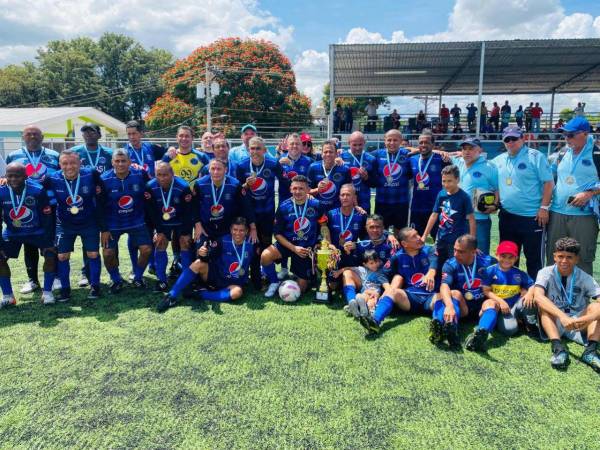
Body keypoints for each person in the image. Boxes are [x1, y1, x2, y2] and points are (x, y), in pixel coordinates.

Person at [493, 126, 553, 279]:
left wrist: (544, 207)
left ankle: (537, 292)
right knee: (508, 257)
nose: (511, 142)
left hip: (533, 218)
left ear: (523, 139)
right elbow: (477, 160)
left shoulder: (536, 156)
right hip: (507, 217)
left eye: (514, 138)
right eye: (507, 139)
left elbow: (548, 183)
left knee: (534, 259)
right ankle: (510, 290)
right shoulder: (499, 160)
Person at [43, 150, 104, 300]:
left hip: (89, 222)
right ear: (60, 165)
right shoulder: (52, 177)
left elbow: (103, 188)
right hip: (64, 223)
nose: (69, 167)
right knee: (62, 256)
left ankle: (95, 286)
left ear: (80, 163)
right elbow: (36, 189)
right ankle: (65, 289)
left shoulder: (91, 174)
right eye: (65, 163)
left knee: (93, 254)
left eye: (73, 163)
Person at [6, 125, 60, 295]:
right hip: (23, 204)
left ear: (42, 137)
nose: (32, 137)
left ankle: (55, 276)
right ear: (23, 137)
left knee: (49, 239)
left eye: (36, 134)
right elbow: (7, 178)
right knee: (28, 242)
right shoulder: (13, 156)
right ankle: (33, 280)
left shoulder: (54, 155)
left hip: (49, 203)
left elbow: (59, 176)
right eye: (28, 134)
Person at [159, 217, 254, 311]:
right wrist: (203, 253)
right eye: (235, 230)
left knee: (237, 292)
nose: (237, 233)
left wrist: (257, 283)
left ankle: (199, 294)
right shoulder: (222, 241)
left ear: (246, 232)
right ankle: (171, 296)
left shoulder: (251, 244)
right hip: (217, 277)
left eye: (241, 230)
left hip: (234, 283)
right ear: (230, 230)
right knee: (198, 263)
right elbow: (208, 256)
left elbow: (255, 264)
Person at [534, 237, 600, 372]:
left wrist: (585, 319)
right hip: (555, 320)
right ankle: (558, 348)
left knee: (595, 307)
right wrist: (562, 317)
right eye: (560, 256)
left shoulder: (584, 277)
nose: (564, 261)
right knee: (543, 306)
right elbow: (538, 297)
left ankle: (591, 351)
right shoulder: (545, 272)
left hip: (578, 323)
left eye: (569, 257)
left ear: (577, 259)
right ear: (554, 256)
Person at [359, 227, 440, 334]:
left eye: (418, 234)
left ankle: (439, 327)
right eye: (414, 237)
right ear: (405, 244)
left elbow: (435, 260)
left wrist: (431, 273)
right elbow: (383, 273)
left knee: (444, 297)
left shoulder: (429, 249)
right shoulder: (397, 256)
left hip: (431, 296)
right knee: (392, 291)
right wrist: (387, 288)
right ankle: (374, 321)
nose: (419, 238)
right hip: (411, 298)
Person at [547, 117, 599, 275]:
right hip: (557, 213)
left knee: (582, 258)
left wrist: (589, 193)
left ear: (585, 133)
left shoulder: (596, 154)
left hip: (584, 216)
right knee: (553, 257)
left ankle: (582, 299)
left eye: (571, 135)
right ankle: (552, 296)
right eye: (564, 135)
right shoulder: (562, 153)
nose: (566, 138)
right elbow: (549, 178)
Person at [0, 162, 56, 306]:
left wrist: (49, 242)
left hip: (37, 232)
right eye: (10, 176)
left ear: (26, 176)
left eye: (17, 176)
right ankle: (8, 296)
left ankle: (48, 292)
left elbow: (47, 217)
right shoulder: (1, 191)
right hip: (13, 232)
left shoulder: (37, 190)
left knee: (50, 256)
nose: (13, 179)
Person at [261, 175, 326, 297]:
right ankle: (274, 282)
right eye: (295, 188)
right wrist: (293, 248)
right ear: (290, 189)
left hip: (306, 249)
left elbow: (323, 226)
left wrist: (323, 243)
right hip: (287, 244)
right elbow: (277, 234)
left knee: (300, 289)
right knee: (265, 256)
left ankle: (307, 277)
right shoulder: (283, 206)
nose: (297, 191)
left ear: (308, 190)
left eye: (301, 188)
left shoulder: (317, 205)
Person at [464, 241, 536, 352]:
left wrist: (529, 293)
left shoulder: (519, 273)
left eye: (510, 257)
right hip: (495, 305)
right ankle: (481, 333)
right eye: (503, 256)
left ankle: (529, 325)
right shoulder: (490, 271)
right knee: (491, 304)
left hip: (511, 308)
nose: (506, 260)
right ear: (497, 255)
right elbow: (486, 290)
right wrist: (501, 301)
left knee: (510, 330)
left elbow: (532, 285)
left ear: (516, 258)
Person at [99, 149, 152, 293]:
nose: (120, 164)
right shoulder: (104, 179)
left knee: (146, 249)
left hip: (136, 220)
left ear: (130, 162)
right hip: (113, 223)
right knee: (108, 253)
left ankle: (138, 277)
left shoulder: (140, 174)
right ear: (112, 163)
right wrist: (104, 229)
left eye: (123, 161)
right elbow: (99, 205)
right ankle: (116, 280)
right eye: (117, 161)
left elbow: (151, 191)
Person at [430, 234, 495, 349]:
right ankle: (445, 328)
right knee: (453, 293)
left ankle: (480, 334)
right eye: (455, 250)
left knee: (492, 303)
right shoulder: (450, 264)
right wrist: (449, 306)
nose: (455, 254)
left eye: (461, 252)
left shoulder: (489, 262)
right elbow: (444, 285)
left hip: (481, 308)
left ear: (473, 252)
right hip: (461, 308)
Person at [236, 136, 284, 289]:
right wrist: (245, 185)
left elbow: (285, 183)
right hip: (249, 213)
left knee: (265, 244)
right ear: (248, 150)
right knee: (251, 245)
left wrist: (282, 208)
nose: (255, 151)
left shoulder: (273, 164)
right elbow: (238, 190)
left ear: (264, 150)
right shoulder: (242, 165)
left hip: (267, 212)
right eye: (252, 148)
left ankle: (267, 275)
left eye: (258, 148)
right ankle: (254, 276)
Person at [71, 123, 114, 288]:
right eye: (85, 132)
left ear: (99, 134)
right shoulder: (76, 153)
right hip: (83, 201)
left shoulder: (109, 154)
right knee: (88, 238)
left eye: (92, 131)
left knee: (109, 238)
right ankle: (85, 272)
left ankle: (112, 273)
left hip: (105, 201)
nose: (88, 134)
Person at [145, 162, 194, 292]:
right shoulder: (150, 187)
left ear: (172, 174)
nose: (162, 178)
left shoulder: (183, 187)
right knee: (160, 242)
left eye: (165, 175)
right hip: (162, 222)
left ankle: (186, 280)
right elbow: (151, 212)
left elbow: (188, 211)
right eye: (159, 175)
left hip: (180, 221)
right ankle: (162, 280)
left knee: (185, 243)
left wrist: (185, 232)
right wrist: (158, 231)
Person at [422, 165, 476, 274]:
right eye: (444, 181)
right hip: (441, 239)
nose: (446, 184)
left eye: (449, 181)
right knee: (437, 264)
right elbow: (434, 215)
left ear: (457, 180)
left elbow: (471, 220)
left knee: (455, 266)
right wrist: (424, 235)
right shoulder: (441, 194)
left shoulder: (464, 197)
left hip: (456, 242)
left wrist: (472, 241)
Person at [451, 138, 499, 255]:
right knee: (460, 253)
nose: (467, 152)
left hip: (479, 220)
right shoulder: (458, 162)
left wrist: (494, 205)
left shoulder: (489, 167)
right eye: (464, 149)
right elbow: (437, 152)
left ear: (480, 150)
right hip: (460, 218)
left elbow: (498, 188)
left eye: (471, 149)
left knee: (480, 253)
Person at [192, 158, 255, 242]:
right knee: (202, 253)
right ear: (209, 170)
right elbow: (194, 206)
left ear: (225, 170)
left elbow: (246, 207)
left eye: (219, 169)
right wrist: (197, 225)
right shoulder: (199, 184)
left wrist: (253, 228)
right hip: (205, 228)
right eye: (213, 169)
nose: (215, 172)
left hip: (227, 229)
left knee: (226, 253)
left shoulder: (235, 184)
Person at [326, 184, 367, 288]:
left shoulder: (361, 216)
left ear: (354, 197)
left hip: (352, 255)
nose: (344, 197)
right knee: (332, 286)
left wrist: (356, 245)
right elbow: (324, 234)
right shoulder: (331, 214)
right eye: (342, 195)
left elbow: (366, 240)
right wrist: (329, 245)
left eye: (348, 195)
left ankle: (346, 277)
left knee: (356, 284)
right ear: (339, 197)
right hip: (334, 255)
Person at [372, 129, 413, 232]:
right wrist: (341, 153)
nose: (392, 143)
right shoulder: (377, 154)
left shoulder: (406, 154)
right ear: (384, 141)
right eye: (389, 140)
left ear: (400, 141)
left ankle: (398, 248)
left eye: (395, 140)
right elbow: (359, 155)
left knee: (400, 233)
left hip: (401, 202)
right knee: (380, 231)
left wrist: (440, 151)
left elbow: (423, 149)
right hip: (382, 202)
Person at [409, 133, 447, 240]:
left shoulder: (442, 159)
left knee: (439, 240)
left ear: (433, 144)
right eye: (421, 143)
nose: (423, 145)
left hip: (436, 208)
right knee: (415, 240)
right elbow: (401, 147)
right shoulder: (412, 159)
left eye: (427, 142)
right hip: (417, 208)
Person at [343, 250, 391, 319]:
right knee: (360, 297)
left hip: (374, 294)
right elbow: (349, 268)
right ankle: (357, 307)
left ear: (379, 261)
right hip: (366, 291)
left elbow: (386, 286)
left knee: (371, 303)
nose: (375, 264)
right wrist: (339, 271)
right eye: (371, 263)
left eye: (376, 262)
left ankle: (364, 311)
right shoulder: (363, 270)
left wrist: (379, 296)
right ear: (365, 264)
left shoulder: (380, 273)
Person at [307, 140, 351, 211]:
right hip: (317, 210)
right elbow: (307, 191)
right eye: (325, 152)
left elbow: (349, 192)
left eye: (331, 152)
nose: (328, 154)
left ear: (336, 154)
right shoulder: (313, 167)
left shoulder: (344, 169)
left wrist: (356, 206)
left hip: (337, 210)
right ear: (321, 154)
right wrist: (318, 190)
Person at [341, 131, 376, 213]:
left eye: (360, 144)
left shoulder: (371, 159)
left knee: (364, 225)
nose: (357, 148)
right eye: (354, 145)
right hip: (345, 202)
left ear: (364, 143)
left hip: (364, 202)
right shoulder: (341, 157)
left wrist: (367, 178)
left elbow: (375, 183)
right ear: (349, 143)